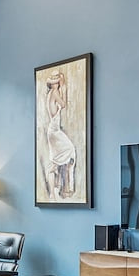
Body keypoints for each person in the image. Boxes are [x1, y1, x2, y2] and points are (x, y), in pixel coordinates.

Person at [44, 70, 77, 198]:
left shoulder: (51, 93)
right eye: (57, 81)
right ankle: (58, 190)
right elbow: (63, 104)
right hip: (54, 131)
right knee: (69, 150)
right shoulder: (55, 92)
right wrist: (64, 87)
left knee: (60, 159)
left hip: (53, 130)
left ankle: (57, 191)